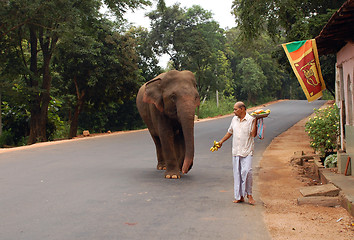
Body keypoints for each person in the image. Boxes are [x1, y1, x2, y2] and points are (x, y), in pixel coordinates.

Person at [218, 101, 258, 205]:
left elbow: (253, 135)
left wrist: (256, 122)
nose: (234, 111)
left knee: (247, 172)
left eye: (235, 109)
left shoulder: (251, 119)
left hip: (247, 150)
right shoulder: (234, 120)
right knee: (237, 174)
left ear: (242, 109)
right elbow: (229, 132)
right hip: (236, 151)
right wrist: (221, 142)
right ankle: (239, 196)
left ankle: (249, 195)